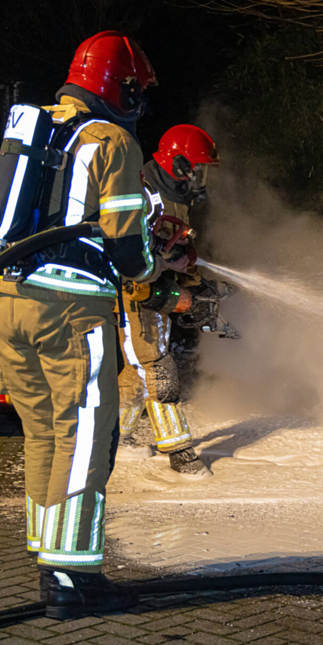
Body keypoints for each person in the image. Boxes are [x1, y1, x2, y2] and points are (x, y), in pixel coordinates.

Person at [0, 31, 182, 618]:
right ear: (115, 84)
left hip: (11, 301)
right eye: (134, 89)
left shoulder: (35, 128)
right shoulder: (112, 140)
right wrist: (158, 268)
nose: (137, 101)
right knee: (85, 439)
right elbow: (126, 246)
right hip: (73, 313)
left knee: (46, 434)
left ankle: (50, 557)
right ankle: (73, 579)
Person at [118, 124, 220, 475]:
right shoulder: (140, 192)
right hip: (134, 292)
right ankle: (179, 453)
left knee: (138, 368)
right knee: (158, 369)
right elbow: (131, 257)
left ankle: (116, 438)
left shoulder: (176, 197)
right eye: (194, 167)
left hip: (153, 290)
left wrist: (195, 284)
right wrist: (166, 265)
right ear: (176, 163)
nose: (197, 176)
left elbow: (179, 249)